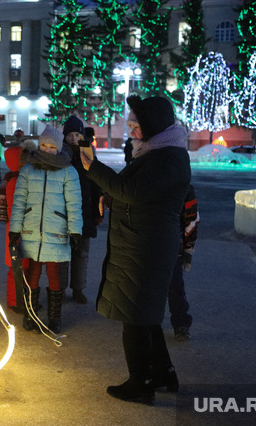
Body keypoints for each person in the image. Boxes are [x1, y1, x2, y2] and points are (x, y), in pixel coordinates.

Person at [80, 95, 191, 405]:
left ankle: (140, 383)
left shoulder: (166, 157)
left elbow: (132, 191)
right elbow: (137, 194)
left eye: (134, 125)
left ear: (151, 126)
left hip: (146, 245)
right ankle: (163, 373)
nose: (129, 130)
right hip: (143, 240)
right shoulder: (157, 152)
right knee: (145, 315)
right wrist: (111, 195)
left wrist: (93, 168)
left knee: (135, 317)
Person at [9, 126, 82, 333]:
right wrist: (14, 230)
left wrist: (75, 230)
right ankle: (29, 315)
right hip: (31, 231)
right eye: (44, 146)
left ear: (58, 149)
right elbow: (19, 202)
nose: (47, 150)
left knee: (55, 275)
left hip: (56, 231)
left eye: (52, 147)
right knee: (31, 274)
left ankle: (54, 318)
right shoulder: (28, 170)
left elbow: (74, 204)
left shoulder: (68, 172)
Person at [62, 115, 103, 304]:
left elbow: (96, 185)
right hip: (62, 212)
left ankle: (78, 288)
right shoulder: (61, 154)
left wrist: (98, 211)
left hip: (84, 210)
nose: (73, 139)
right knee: (62, 254)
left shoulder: (87, 153)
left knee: (81, 253)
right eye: (70, 135)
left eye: (77, 134)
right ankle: (59, 288)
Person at [0, 141, 36, 311]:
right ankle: (15, 302)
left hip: (21, 231)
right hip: (18, 232)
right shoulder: (15, 182)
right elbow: (16, 209)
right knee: (16, 269)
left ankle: (21, 300)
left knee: (22, 268)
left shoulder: (17, 178)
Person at [169, 184, 199, 341]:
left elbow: (191, 219)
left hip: (171, 246)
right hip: (165, 244)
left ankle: (181, 324)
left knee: (175, 286)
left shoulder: (184, 185)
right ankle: (180, 324)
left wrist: (188, 250)